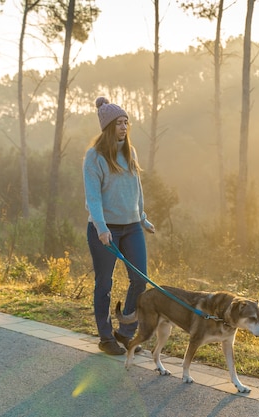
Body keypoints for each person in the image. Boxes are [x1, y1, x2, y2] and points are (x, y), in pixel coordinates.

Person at [83, 96, 155, 355]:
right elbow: (93, 197)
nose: (124, 127)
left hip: (132, 226)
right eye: (119, 123)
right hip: (105, 229)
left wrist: (142, 217)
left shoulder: (129, 152)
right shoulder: (94, 157)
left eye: (126, 122)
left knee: (139, 280)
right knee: (104, 283)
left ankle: (125, 332)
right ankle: (105, 338)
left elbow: (136, 188)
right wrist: (101, 228)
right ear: (107, 127)